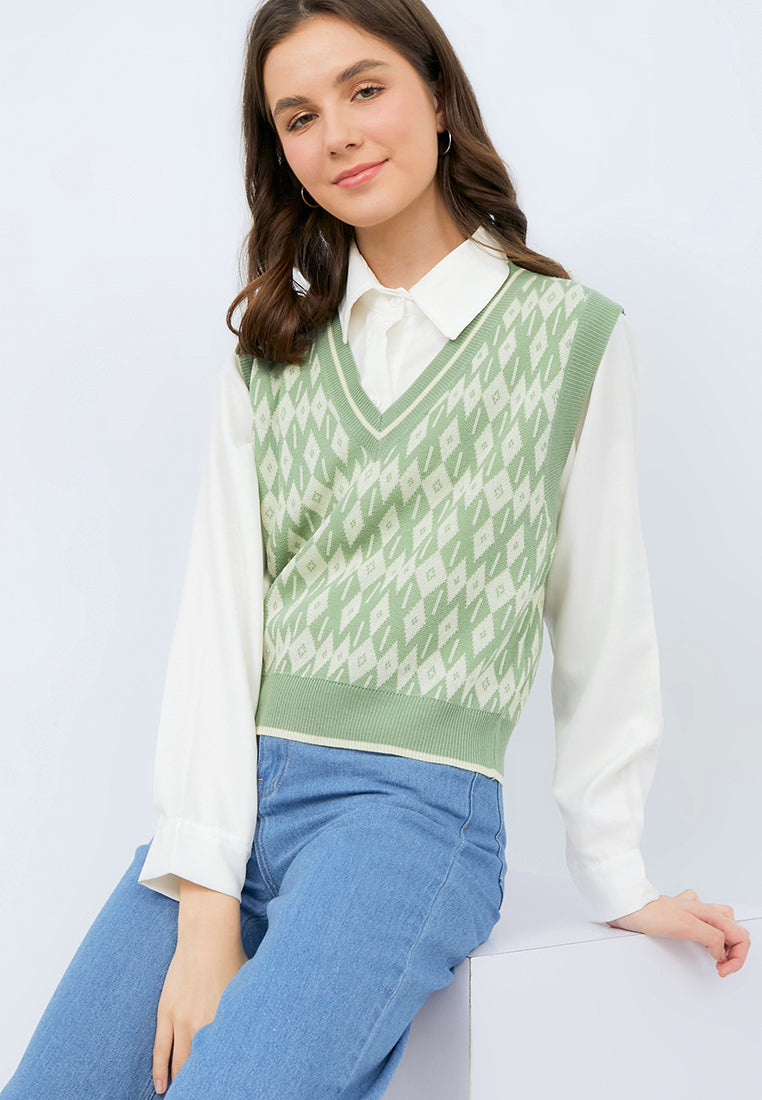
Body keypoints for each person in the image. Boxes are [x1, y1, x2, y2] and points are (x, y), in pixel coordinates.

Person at [2, 0, 751, 1097]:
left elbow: (603, 612)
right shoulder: (272, 353)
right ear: (281, 153)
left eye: (365, 89)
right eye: (299, 117)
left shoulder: (570, 336)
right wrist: (207, 902)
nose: (338, 133)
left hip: (412, 819)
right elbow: (219, 621)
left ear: (436, 96)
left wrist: (617, 869)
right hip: (238, 805)